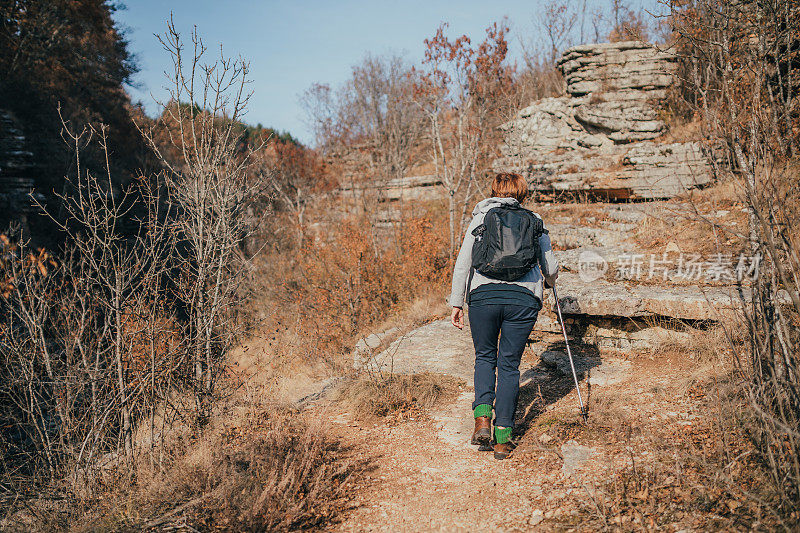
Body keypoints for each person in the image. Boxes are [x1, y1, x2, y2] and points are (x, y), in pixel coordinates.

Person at [449, 173, 559, 460]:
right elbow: (550, 266)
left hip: (484, 296)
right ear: (522, 194)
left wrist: (456, 302)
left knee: (485, 357)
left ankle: (482, 419)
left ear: (495, 191)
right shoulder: (535, 220)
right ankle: (503, 437)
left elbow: (464, 262)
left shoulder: (482, 216)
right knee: (509, 365)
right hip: (522, 300)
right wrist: (549, 282)